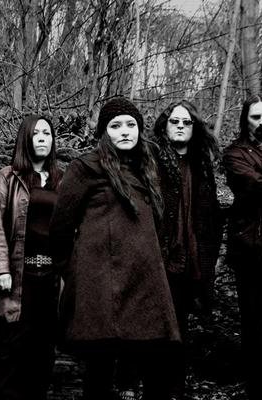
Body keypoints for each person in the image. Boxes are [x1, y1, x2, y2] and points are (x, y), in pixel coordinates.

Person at [50, 97, 180, 400]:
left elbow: (156, 224)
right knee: (100, 372)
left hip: (145, 285)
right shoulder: (85, 167)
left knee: (156, 367)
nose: (125, 131)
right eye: (115, 125)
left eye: (131, 125)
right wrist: (78, 272)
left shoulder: (148, 167)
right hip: (102, 288)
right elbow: (59, 229)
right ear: (104, 132)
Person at [143, 100, 222, 399]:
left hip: (190, 264)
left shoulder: (201, 164)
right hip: (159, 260)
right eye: (174, 121)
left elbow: (211, 216)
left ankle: (174, 392)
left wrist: (209, 261)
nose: (179, 126)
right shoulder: (152, 158)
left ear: (194, 127)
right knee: (156, 332)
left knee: (180, 333)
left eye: (186, 122)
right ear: (165, 125)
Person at [0, 115, 62, 400]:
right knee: (10, 349)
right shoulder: (8, 176)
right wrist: (1, 269)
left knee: (43, 354)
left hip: (51, 280)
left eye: (47, 133)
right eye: (36, 133)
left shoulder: (62, 179)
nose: (42, 138)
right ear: (25, 138)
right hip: (19, 277)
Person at [223, 95, 262, 399]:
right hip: (249, 241)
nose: (261, 123)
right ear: (245, 119)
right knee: (253, 312)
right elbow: (254, 185)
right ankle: (255, 382)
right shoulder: (234, 152)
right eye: (255, 117)